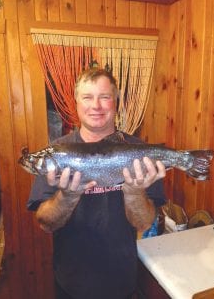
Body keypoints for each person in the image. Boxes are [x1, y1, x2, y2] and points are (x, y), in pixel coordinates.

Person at [27, 68, 167, 299]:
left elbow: (144, 223)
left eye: (104, 97)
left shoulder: (139, 152)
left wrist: (134, 192)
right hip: (71, 283)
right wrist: (67, 196)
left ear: (116, 102)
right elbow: (46, 224)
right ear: (76, 101)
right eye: (87, 97)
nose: (96, 106)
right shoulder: (58, 153)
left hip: (123, 282)